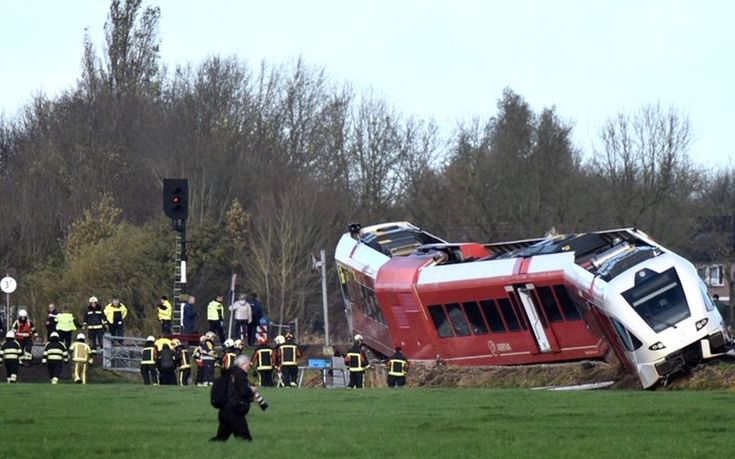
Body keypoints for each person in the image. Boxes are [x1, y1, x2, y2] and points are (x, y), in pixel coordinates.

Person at [210, 355, 268, 442]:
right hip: (234, 412)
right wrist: (251, 390)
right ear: (243, 364)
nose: (249, 368)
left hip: (224, 411)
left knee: (220, 439)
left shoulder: (230, 374)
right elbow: (243, 391)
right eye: (248, 365)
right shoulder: (239, 374)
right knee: (246, 440)